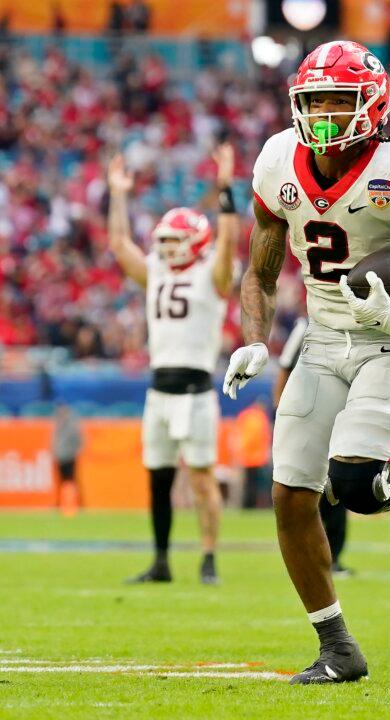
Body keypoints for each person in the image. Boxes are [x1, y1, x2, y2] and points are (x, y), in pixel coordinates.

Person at [222, 41, 390, 685]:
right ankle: (337, 646)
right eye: (315, 101)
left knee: (355, 486)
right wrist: (256, 340)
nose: (325, 115)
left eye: (339, 100)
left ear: (373, 104)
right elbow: (260, 269)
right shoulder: (278, 159)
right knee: (289, 493)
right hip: (322, 337)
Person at [107, 144, 238, 585]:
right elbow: (119, 244)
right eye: (162, 241)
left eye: (172, 241)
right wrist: (118, 194)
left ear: (195, 241)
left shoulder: (212, 274)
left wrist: (225, 188)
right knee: (158, 479)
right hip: (158, 389)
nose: (165, 248)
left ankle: (209, 557)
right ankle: (161, 561)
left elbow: (227, 244)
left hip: (196, 390)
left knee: (201, 479)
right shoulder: (158, 273)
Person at [275, 317, 353, 577]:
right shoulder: (304, 326)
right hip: (308, 412)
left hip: (340, 417)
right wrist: (283, 412)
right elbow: (285, 367)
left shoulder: (354, 323)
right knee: (305, 488)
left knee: (337, 487)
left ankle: (334, 558)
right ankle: (310, 557)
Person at [51, 404, 83, 516]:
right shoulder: (58, 425)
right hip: (60, 457)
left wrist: (73, 453)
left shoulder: (72, 426)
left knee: (71, 481)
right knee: (62, 482)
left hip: (69, 457)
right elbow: (55, 442)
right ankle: (62, 503)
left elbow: (79, 442)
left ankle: (74, 503)